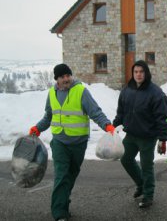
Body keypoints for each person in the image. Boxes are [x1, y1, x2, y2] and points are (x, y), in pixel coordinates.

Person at [29, 63, 115, 221]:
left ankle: (63, 202)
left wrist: (107, 125)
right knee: (61, 175)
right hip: (59, 142)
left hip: (78, 143)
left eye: (68, 75)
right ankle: (59, 212)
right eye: (62, 77)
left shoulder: (81, 91)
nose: (66, 79)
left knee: (71, 175)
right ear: (57, 79)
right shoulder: (52, 94)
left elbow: (95, 112)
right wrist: (38, 128)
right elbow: (49, 116)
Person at [113, 60, 167, 208]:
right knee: (125, 159)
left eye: (141, 72)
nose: (138, 75)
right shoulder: (127, 90)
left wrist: (162, 139)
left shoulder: (155, 93)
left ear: (146, 73)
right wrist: (113, 127)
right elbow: (121, 111)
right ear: (133, 73)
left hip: (148, 137)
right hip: (131, 135)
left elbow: (162, 117)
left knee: (146, 166)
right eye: (136, 72)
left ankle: (148, 195)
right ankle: (141, 184)